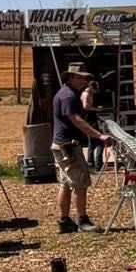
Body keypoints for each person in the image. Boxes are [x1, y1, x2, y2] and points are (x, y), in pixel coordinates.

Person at [52, 63, 104, 233]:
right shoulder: (68, 96)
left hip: (61, 145)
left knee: (66, 183)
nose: (84, 81)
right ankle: (82, 220)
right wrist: (98, 135)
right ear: (71, 77)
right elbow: (76, 119)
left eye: (85, 77)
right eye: (80, 77)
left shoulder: (67, 93)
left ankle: (64, 221)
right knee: (80, 184)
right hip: (68, 146)